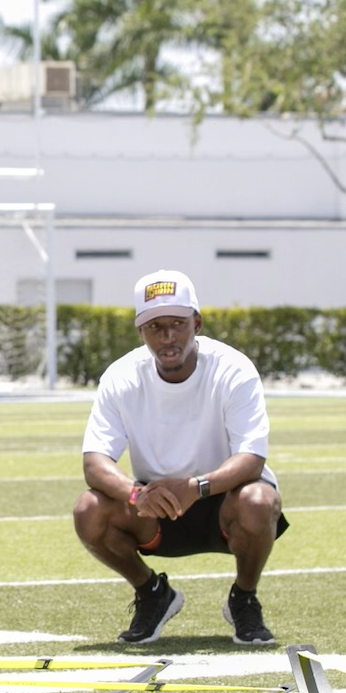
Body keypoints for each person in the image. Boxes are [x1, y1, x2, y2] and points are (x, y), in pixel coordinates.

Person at [72, 270, 289, 646]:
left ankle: (244, 598)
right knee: (88, 510)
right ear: (141, 332)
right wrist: (136, 494)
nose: (168, 337)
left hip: (223, 497)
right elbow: (95, 462)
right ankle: (153, 593)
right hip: (154, 505)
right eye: (155, 327)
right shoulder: (121, 376)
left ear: (197, 324)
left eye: (178, 324)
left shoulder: (233, 368)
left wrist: (196, 486)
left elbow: (251, 458)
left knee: (260, 500)